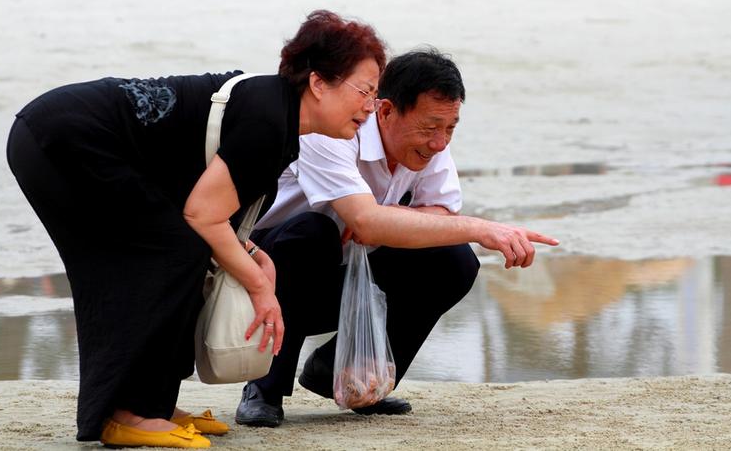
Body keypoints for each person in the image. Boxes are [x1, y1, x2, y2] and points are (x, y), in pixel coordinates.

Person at [6, 9, 386, 448]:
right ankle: (129, 413)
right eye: (365, 91)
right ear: (319, 83)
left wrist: (253, 255)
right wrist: (262, 291)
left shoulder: (279, 117)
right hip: (62, 138)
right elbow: (203, 215)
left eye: (376, 95)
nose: (370, 107)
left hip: (63, 135)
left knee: (181, 253)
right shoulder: (269, 119)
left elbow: (213, 212)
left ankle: (154, 404)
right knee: (169, 254)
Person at [235, 48, 560, 427]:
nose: (440, 143)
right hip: (263, 279)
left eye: (450, 128)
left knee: (454, 259)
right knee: (313, 232)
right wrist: (483, 228)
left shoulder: (432, 145)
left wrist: (390, 216)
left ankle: (349, 373)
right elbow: (369, 225)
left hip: (342, 281)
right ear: (385, 111)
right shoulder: (333, 128)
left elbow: (440, 214)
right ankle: (264, 388)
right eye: (430, 128)